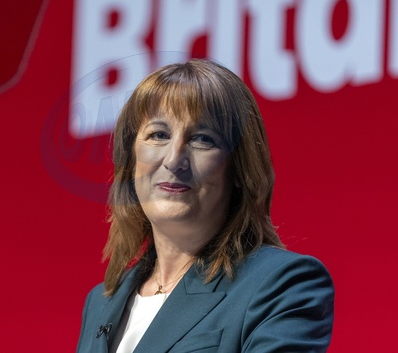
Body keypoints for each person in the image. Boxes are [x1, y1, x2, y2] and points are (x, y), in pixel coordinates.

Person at [76, 59, 334, 352]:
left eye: (202, 139)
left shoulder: (282, 284)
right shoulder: (102, 301)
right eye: (158, 135)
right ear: (132, 161)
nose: (174, 160)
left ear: (239, 170)